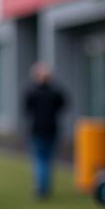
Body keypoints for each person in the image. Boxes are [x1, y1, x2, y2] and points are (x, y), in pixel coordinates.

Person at [23, 62, 67, 199]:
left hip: (37, 130)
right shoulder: (55, 92)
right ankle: (45, 187)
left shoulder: (32, 92)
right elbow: (63, 105)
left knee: (39, 160)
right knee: (47, 160)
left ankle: (41, 188)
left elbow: (26, 109)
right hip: (51, 129)